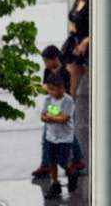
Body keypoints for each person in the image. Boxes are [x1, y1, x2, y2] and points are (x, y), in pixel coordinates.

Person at [32, 45, 86, 178]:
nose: (46, 64)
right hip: (53, 105)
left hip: (64, 106)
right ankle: (76, 160)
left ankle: (47, 164)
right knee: (65, 134)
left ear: (55, 59)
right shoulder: (47, 71)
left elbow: (58, 90)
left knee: (56, 134)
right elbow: (47, 87)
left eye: (47, 61)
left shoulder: (65, 73)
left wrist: (49, 88)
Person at [41, 73, 77, 199]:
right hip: (51, 137)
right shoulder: (48, 100)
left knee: (63, 162)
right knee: (51, 162)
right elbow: (43, 116)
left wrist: (51, 117)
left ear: (62, 88)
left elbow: (64, 118)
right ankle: (55, 183)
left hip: (64, 138)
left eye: (53, 89)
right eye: (49, 89)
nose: (50, 92)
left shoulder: (68, 101)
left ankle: (71, 175)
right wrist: (52, 117)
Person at [61, 0, 90, 100]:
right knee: (69, 87)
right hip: (75, 44)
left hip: (87, 47)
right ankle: (69, 116)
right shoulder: (78, 1)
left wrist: (87, 41)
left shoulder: (94, 5)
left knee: (97, 86)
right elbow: (73, 16)